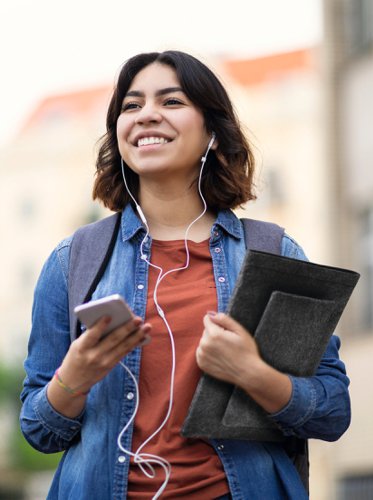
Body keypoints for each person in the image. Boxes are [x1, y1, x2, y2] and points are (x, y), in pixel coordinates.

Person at [20, 50, 351, 499]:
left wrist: (252, 373)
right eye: (131, 106)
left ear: (213, 133)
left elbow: (331, 411)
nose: (147, 115)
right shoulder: (72, 260)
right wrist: (73, 377)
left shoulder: (274, 252)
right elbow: (39, 430)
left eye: (171, 102)